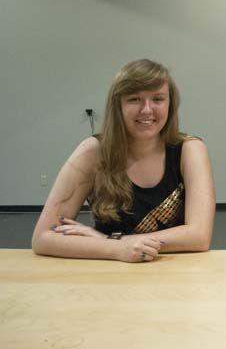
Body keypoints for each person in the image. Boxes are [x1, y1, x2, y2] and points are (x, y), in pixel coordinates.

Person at [32, 59, 215, 262]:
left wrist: (112, 241)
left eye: (158, 99)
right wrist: (116, 249)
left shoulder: (190, 150)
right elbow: (42, 238)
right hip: (110, 276)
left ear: (170, 104)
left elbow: (199, 236)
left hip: (176, 274)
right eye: (135, 99)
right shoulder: (92, 152)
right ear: (118, 105)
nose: (147, 109)